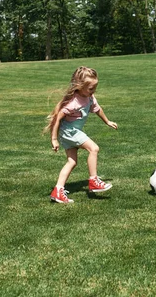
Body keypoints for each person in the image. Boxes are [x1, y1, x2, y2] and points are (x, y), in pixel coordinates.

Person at [44, 66, 118, 204]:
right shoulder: (73, 102)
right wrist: (53, 139)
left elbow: (97, 109)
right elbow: (57, 118)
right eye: (91, 88)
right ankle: (94, 181)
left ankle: (58, 191)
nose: (93, 91)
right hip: (69, 132)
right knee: (93, 148)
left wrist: (107, 121)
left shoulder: (89, 97)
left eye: (95, 87)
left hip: (69, 133)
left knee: (72, 162)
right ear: (79, 86)